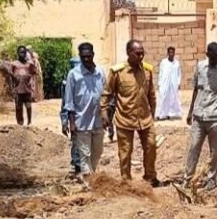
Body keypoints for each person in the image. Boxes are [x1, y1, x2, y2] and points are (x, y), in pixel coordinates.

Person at [101, 40, 160, 187]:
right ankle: (126, 181)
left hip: (145, 118)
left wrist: (153, 113)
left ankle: (150, 177)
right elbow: (107, 93)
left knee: (151, 146)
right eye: (137, 53)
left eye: (142, 53)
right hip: (124, 118)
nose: (141, 56)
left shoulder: (147, 70)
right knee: (125, 152)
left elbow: (151, 94)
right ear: (128, 53)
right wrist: (104, 113)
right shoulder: (117, 72)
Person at [183, 42, 217, 191]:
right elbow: (196, 90)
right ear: (207, 55)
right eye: (213, 57)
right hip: (199, 116)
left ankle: (211, 179)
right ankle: (188, 178)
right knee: (193, 147)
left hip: (216, 117)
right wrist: (190, 112)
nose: (215, 60)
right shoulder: (200, 67)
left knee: (215, 152)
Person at [61, 42, 106, 182]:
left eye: (88, 56)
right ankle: (88, 181)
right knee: (84, 154)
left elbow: (106, 96)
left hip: (98, 120)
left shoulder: (100, 73)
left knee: (97, 152)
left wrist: (107, 117)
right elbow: (69, 101)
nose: (86, 59)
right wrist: (71, 122)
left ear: (93, 55)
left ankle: (90, 177)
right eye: (83, 57)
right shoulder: (73, 75)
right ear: (80, 56)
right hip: (81, 121)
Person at [11, 45, 37, 125]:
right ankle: (20, 124)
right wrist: (12, 89)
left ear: (26, 53)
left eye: (24, 52)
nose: (22, 54)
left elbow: (33, 75)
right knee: (18, 108)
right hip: (18, 90)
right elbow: (11, 77)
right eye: (20, 52)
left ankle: (29, 122)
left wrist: (33, 88)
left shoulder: (30, 64)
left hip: (27, 90)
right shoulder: (14, 64)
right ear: (17, 53)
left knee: (28, 107)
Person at [157, 46, 183, 120]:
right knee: (163, 98)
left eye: (173, 52)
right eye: (170, 52)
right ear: (168, 53)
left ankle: (171, 114)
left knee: (173, 98)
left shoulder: (176, 63)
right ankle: (162, 114)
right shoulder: (163, 62)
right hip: (164, 84)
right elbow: (160, 73)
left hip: (173, 84)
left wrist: (178, 83)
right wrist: (160, 83)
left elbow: (179, 74)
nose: (171, 54)